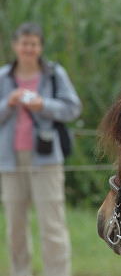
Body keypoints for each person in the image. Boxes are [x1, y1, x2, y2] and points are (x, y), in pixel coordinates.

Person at [0, 22, 82, 276]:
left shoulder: (54, 74)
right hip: (10, 160)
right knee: (14, 227)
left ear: (40, 47)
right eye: (24, 43)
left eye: (33, 43)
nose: (28, 48)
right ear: (15, 45)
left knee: (52, 225)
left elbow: (73, 108)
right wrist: (9, 103)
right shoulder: (3, 77)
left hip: (46, 159)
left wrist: (42, 104)